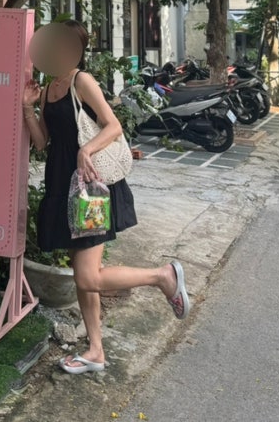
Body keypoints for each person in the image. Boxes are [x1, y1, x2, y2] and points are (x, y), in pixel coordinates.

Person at [23, 20, 190, 374]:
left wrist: (86, 150)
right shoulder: (50, 87)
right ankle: (95, 350)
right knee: (84, 274)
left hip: (90, 187)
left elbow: (113, 125)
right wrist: (27, 108)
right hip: (62, 185)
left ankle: (163, 276)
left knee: (88, 277)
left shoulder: (81, 81)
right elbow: (41, 143)